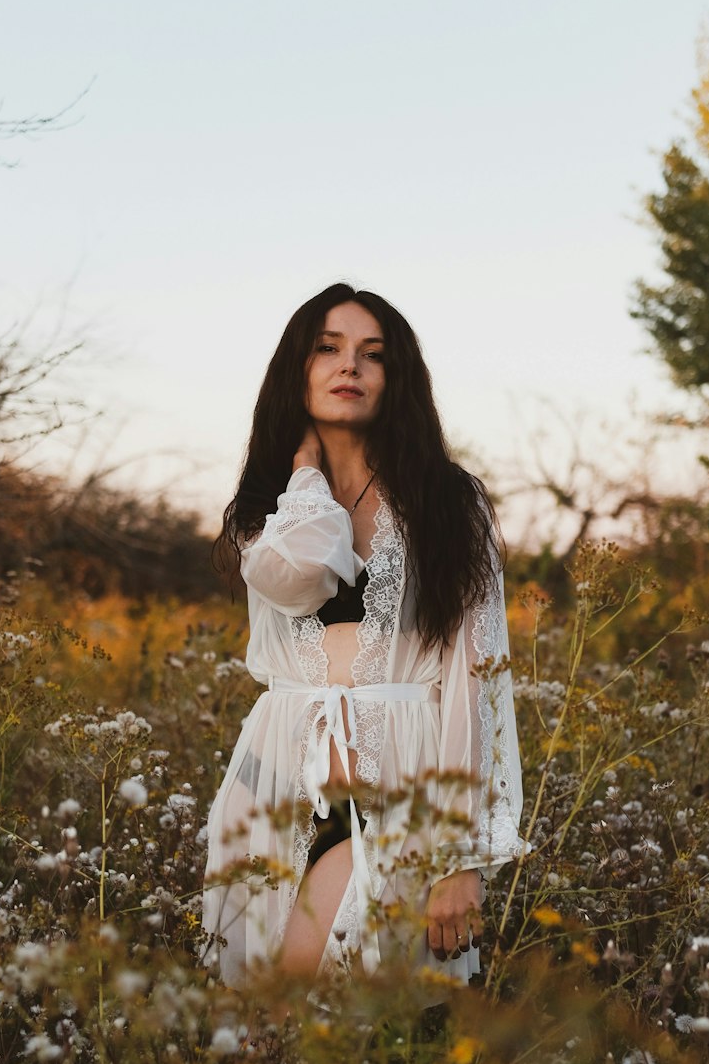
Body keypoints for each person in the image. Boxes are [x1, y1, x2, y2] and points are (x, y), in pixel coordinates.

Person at [203, 283, 522, 1002]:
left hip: (403, 793)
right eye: (328, 348)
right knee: (270, 1032)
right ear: (299, 367)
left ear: (396, 378)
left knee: (316, 1008)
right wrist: (307, 473)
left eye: (373, 355)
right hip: (276, 791)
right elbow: (299, 577)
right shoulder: (271, 504)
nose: (351, 366)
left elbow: (475, 680)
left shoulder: (449, 501)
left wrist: (459, 855)